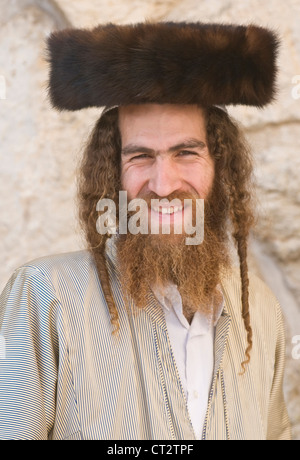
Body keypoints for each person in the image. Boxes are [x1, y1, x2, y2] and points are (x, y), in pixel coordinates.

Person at [0, 22, 291, 440]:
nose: (163, 183)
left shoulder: (260, 311)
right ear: (111, 172)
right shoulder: (45, 298)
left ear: (220, 165)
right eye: (140, 156)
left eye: (186, 152)